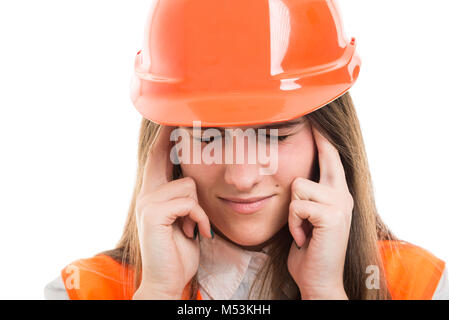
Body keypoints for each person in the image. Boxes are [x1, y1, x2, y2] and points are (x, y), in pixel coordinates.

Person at [45, 0, 448, 300]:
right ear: (166, 146)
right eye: (207, 137)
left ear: (330, 138)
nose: (241, 176)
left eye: (275, 134)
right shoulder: (83, 291)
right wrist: (159, 291)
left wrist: (325, 291)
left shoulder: (420, 285)